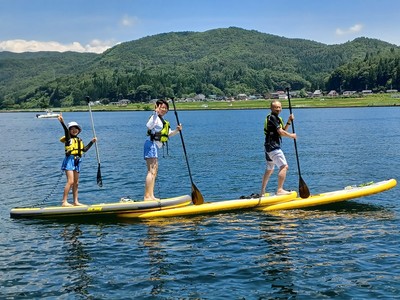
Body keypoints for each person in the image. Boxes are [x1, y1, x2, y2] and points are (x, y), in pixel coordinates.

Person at [144, 99, 182, 201]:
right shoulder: (155, 117)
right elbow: (148, 125)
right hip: (151, 144)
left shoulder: (164, 122)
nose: (164, 109)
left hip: (155, 146)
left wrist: (177, 130)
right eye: (162, 107)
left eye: (166, 108)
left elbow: (169, 134)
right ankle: (147, 196)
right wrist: (155, 113)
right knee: (151, 171)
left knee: (154, 171)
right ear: (157, 107)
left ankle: (151, 195)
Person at [58, 114, 97, 206]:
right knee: (70, 181)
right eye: (72, 129)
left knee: (76, 182)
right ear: (69, 130)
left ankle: (75, 201)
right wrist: (62, 122)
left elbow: (84, 150)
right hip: (69, 160)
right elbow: (65, 131)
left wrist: (92, 142)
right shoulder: (68, 139)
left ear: (78, 130)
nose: (74, 130)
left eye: (76, 128)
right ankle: (64, 202)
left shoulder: (79, 140)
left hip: (77, 161)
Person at [261, 100, 296, 196]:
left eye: (279, 107)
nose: (278, 109)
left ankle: (262, 192)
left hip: (268, 147)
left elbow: (283, 130)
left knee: (270, 169)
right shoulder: (272, 117)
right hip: (273, 147)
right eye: (276, 107)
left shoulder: (276, 118)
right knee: (284, 166)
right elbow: (281, 133)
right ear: (271, 108)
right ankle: (280, 190)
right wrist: (291, 136)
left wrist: (289, 121)